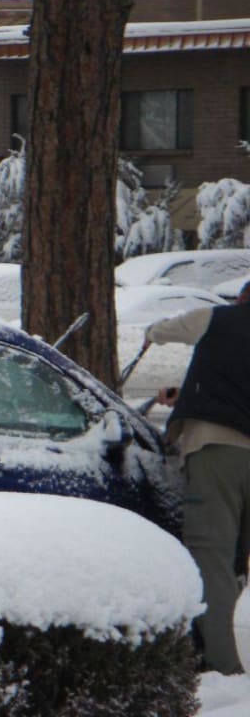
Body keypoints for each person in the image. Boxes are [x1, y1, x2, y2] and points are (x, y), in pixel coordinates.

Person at [144, 279, 250, 674]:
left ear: (242, 298)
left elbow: (166, 329)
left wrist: (151, 332)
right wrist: (186, 392)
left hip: (217, 451)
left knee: (213, 556)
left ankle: (223, 664)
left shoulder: (216, 318)